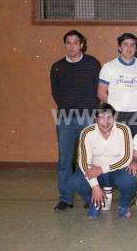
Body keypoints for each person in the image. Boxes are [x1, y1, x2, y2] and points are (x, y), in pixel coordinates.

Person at [50, 30, 101, 211]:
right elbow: (56, 93)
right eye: (68, 43)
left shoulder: (92, 64)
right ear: (66, 45)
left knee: (86, 160)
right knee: (64, 160)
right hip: (65, 119)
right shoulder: (57, 67)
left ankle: (89, 197)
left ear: (82, 44)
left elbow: (98, 91)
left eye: (75, 42)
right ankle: (65, 198)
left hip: (87, 117)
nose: (72, 46)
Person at [69, 103, 137, 219]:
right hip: (95, 172)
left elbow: (126, 158)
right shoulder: (87, 132)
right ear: (95, 119)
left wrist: (102, 169)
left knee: (131, 177)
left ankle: (124, 206)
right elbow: (84, 162)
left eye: (109, 117)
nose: (105, 122)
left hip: (116, 171)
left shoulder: (124, 130)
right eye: (101, 117)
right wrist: (95, 186)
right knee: (74, 181)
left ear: (114, 117)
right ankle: (94, 204)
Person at [97, 32, 137, 136]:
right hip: (116, 114)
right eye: (125, 45)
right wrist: (114, 110)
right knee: (118, 148)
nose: (129, 48)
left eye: (132, 45)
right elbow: (101, 93)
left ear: (136, 48)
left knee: (136, 147)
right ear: (119, 48)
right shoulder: (108, 67)